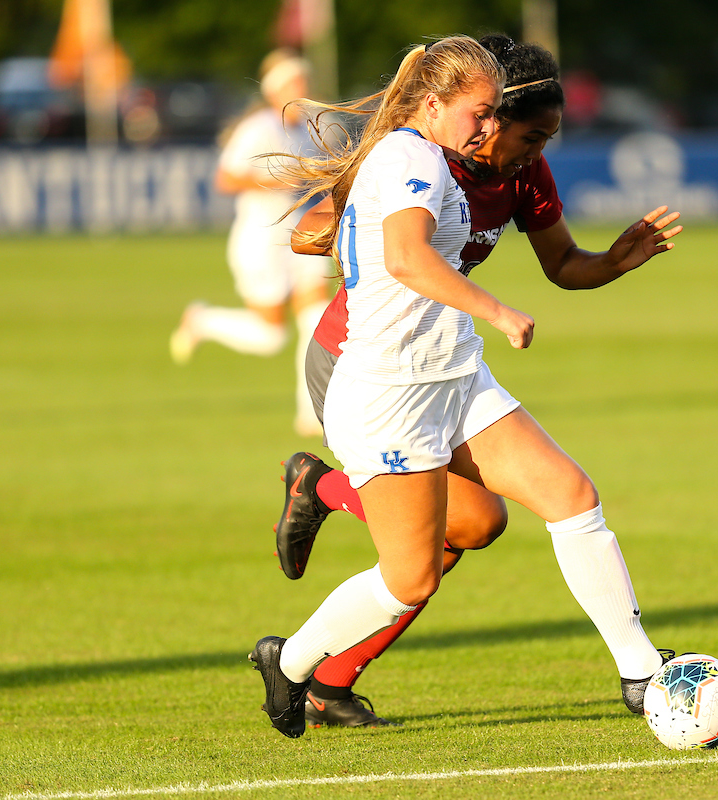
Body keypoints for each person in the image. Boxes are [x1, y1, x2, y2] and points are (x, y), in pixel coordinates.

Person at [250, 34, 680, 740]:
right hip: (378, 375)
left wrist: (617, 261)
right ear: (448, 103)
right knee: (412, 575)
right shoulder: (409, 157)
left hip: (452, 366)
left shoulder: (493, 167)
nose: (522, 145)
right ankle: (295, 661)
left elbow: (558, 261)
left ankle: (639, 672)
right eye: (502, 123)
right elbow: (399, 254)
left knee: (560, 499)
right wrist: (488, 304)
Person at [169, 48, 330, 437]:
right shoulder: (259, 127)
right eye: (294, 83)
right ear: (276, 91)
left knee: (317, 315)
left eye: (304, 81)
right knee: (270, 336)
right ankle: (202, 321)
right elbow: (225, 179)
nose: (303, 89)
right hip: (260, 240)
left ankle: (311, 411)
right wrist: (276, 182)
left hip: (297, 235)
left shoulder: (303, 129)